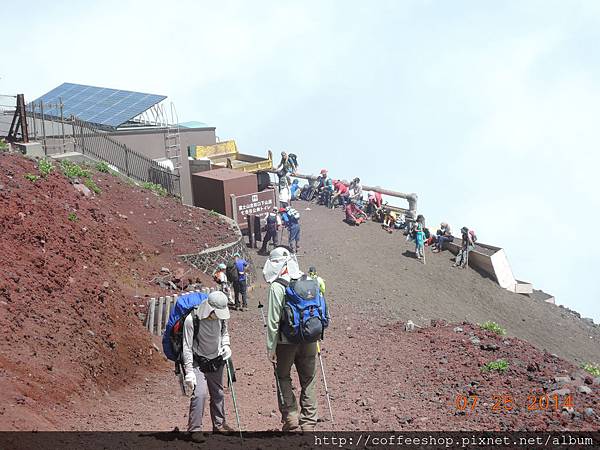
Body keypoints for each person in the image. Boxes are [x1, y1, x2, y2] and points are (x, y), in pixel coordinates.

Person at [263, 247, 319, 432]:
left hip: (286, 342)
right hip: (310, 339)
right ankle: (309, 421)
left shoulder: (277, 286)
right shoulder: (310, 280)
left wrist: (271, 348)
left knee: (283, 376)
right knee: (309, 379)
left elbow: (273, 321)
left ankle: (291, 416)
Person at [182, 291, 235, 442]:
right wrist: (189, 371)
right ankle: (195, 429)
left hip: (217, 359)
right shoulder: (191, 320)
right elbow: (187, 346)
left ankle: (219, 425)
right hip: (198, 361)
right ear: (210, 309)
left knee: (218, 393)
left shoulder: (222, 318)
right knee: (200, 393)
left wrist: (226, 345)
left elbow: (224, 333)